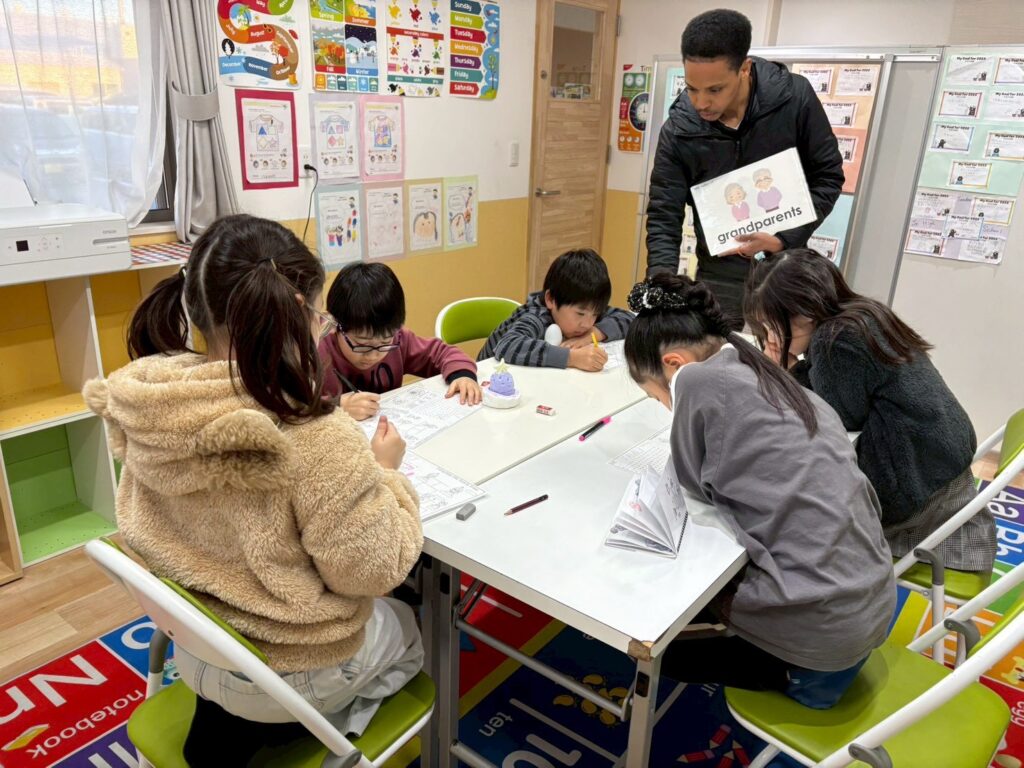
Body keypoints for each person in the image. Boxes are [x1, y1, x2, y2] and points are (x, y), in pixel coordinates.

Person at [83, 215, 424, 764]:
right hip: (289, 677)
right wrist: (387, 475)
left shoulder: (148, 406)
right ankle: (316, 730)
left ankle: (243, 724)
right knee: (408, 626)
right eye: (321, 317)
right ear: (298, 313)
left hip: (197, 653)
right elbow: (372, 572)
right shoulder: (314, 436)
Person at [623, 272, 895, 707]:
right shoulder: (758, 367)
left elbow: (688, 489)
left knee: (656, 642)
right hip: (871, 601)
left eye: (659, 398)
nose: (666, 406)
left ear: (673, 364)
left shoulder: (694, 381)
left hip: (821, 645)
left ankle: (781, 673)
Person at [744, 249, 996, 574]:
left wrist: (785, 368)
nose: (769, 338)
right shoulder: (862, 314)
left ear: (804, 315)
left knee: (790, 507)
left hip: (916, 489)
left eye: (771, 326)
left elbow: (836, 417)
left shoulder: (835, 341)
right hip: (943, 462)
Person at [645, 9, 844, 330]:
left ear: (744, 69)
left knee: (783, 357)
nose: (700, 103)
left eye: (715, 90)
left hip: (785, 268)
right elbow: (663, 217)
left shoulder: (793, 100)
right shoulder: (679, 130)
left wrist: (783, 238)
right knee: (717, 353)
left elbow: (828, 176)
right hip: (719, 274)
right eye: (692, 88)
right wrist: (661, 289)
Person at [320, 262, 481, 421]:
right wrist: (336, 406)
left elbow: (442, 353)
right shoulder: (315, 349)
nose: (373, 355)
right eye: (362, 345)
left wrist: (462, 375)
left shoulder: (399, 339)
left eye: (385, 343)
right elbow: (303, 408)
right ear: (333, 324)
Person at [478, 248, 633, 371]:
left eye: (595, 314)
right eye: (580, 313)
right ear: (551, 299)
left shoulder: (585, 309)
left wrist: (593, 334)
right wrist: (572, 358)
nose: (587, 323)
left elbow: (629, 318)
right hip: (488, 383)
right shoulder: (536, 316)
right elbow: (507, 345)